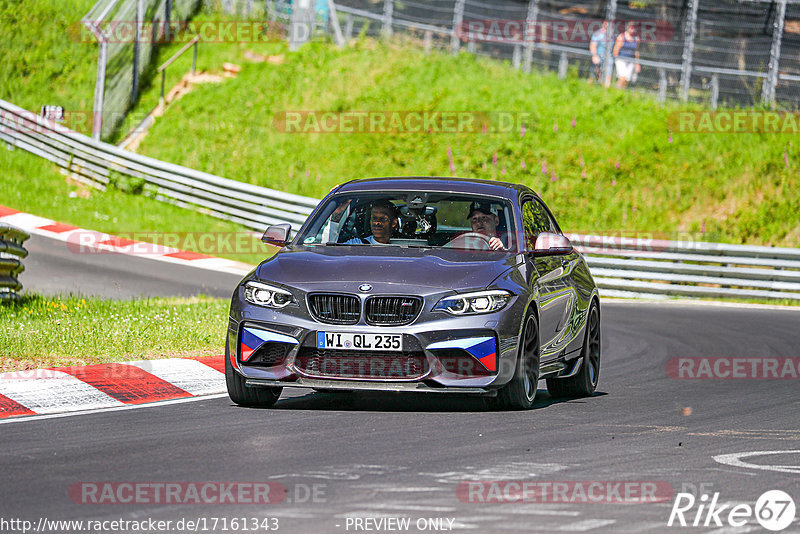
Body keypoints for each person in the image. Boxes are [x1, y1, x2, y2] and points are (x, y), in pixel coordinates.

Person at [613, 21, 640, 89]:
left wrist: (637, 63)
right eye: (631, 27)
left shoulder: (636, 39)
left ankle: (622, 93)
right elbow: (616, 49)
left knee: (626, 80)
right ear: (628, 27)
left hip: (630, 61)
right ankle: (616, 92)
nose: (632, 28)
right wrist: (615, 59)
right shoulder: (622, 36)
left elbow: (636, 51)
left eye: (634, 27)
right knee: (622, 77)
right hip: (621, 59)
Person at [589, 21, 611, 86]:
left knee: (608, 76)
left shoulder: (612, 35)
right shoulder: (597, 34)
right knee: (593, 76)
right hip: (598, 58)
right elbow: (592, 46)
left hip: (608, 59)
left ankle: (605, 91)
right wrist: (595, 56)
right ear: (603, 24)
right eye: (605, 24)